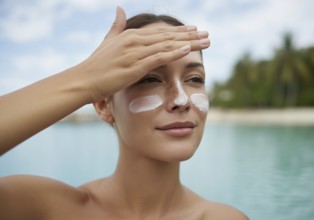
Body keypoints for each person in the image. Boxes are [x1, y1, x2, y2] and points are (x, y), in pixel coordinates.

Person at [0, 6, 248, 220]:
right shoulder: (41, 209)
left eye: (195, 78)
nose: (181, 100)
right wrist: (85, 78)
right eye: (150, 78)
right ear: (103, 105)